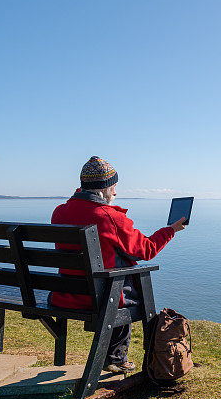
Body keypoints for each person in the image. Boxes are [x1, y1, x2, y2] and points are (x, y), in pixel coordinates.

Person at [50, 156, 186, 374]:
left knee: (115, 286)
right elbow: (146, 249)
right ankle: (117, 358)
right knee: (124, 294)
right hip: (99, 299)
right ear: (103, 188)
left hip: (64, 295)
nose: (115, 193)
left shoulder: (59, 212)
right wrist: (170, 230)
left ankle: (115, 357)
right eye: (113, 187)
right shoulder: (110, 217)